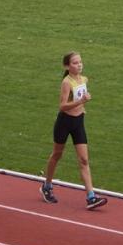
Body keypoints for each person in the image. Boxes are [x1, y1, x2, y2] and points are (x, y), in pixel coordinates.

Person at [39, 54, 108, 210]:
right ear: (67, 66)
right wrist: (81, 101)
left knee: (84, 159)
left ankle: (91, 197)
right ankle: (47, 186)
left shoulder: (84, 80)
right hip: (64, 122)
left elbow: (80, 101)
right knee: (57, 154)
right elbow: (62, 106)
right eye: (75, 63)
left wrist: (82, 107)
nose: (79, 65)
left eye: (80, 62)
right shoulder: (66, 82)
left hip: (78, 122)